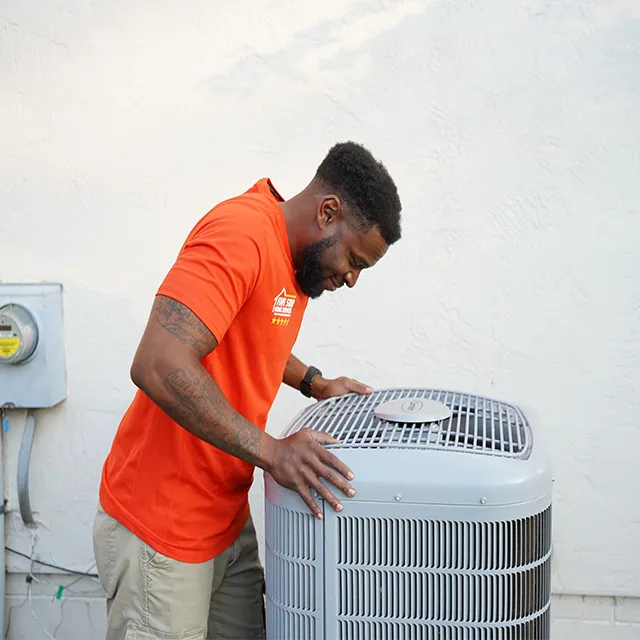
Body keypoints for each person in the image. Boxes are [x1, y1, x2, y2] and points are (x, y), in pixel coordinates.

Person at [93, 141, 402, 640]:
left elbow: (249, 331)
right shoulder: (240, 235)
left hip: (225, 518)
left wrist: (313, 382)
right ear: (327, 212)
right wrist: (274, 452)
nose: (351, 279)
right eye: (354, 259)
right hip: (163, 530)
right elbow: (158, 362)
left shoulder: (295, 259)